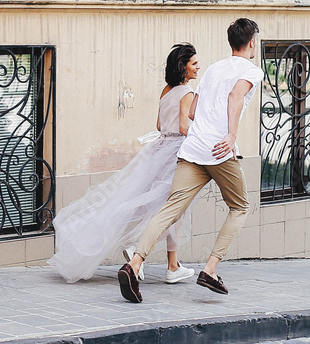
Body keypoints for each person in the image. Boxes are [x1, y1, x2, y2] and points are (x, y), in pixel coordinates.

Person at [118, 18, 263, 303]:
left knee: (170, 209)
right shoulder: (251, 71)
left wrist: (208, 124)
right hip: (219, 150)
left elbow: (194, 110)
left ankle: (134, 265)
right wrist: (231, 135)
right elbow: (235, 97)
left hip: (193, 148)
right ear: (252, 42)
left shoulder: (212, 69)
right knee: (240, 206)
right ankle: (210, 270)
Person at [48, 43, 200, 284]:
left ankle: (170, 263)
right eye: (193, 63)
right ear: (183, 68)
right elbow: (183, 127)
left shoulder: (166, 91)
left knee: (147, 203)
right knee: (173, 210)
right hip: (176, 154)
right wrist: (204, 138)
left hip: (159, 149)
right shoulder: (187, 93)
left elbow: (160, 126)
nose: (197, 67)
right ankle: (161, 260)